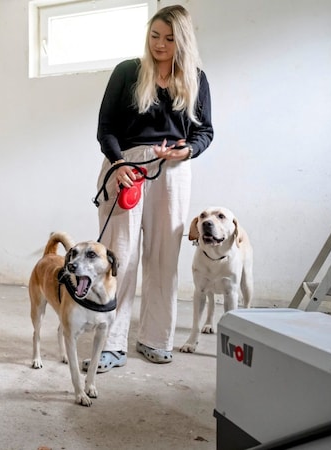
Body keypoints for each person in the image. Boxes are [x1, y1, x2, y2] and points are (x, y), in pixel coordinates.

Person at [85, 5, 213, 371]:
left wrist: (188, 150)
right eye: (155, 36)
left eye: (170, 38)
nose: (160, 44)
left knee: (164, 259)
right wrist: (119, 163)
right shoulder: (128, 71)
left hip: (172, 172)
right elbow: (105, 126)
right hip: (125, 166)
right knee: (117, 258)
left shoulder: (196, 79)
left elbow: (205, 132)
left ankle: (155, 338)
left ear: (183, 40)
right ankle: (110, 343)